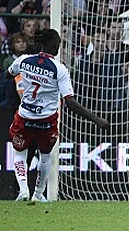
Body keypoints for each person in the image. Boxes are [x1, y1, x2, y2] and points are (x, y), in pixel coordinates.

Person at [7, 29, 109, 202]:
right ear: (54, 45)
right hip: (46, 120)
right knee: (46, 155)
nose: (59, 47)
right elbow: (70, 102)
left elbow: (10, 73)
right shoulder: (59, 69)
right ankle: (38, 195)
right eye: (59, 44)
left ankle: (23, 190)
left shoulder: (23, 60)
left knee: (19, 152)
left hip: (25, 116)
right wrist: (96, 119)